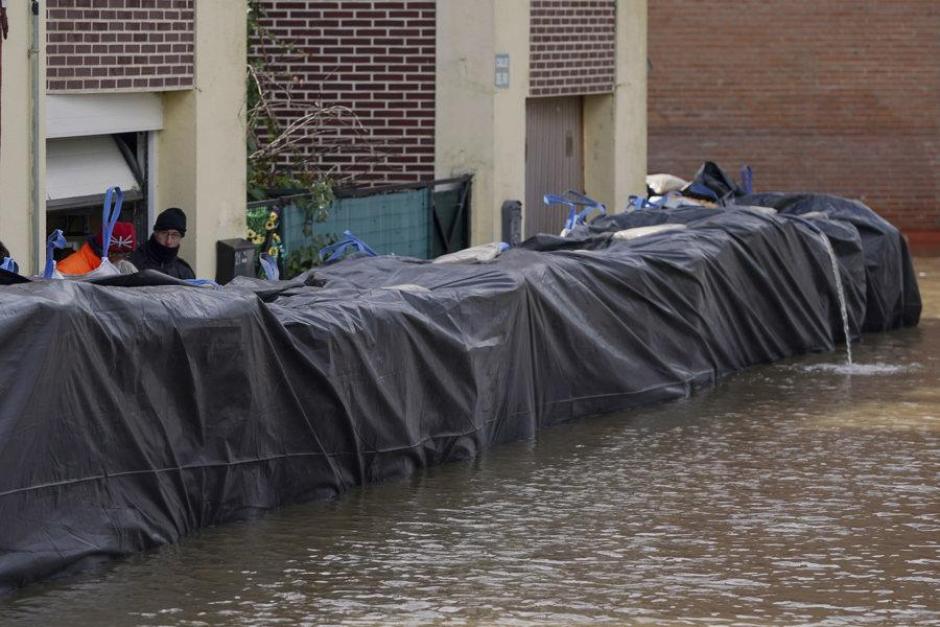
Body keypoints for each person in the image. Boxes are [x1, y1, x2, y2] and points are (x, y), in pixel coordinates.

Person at [128, 207, 195, 280]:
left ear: (180, 238)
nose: (168, 241)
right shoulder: (133, 263)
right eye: (164, 233)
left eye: (175, 235)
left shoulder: (184, 271)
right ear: (155, 233)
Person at [57, 222, 137, 275]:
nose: (123, 260)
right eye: (122, 256)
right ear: (109, 254)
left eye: (126, 255)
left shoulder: (110, 268)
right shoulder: (67, 271)